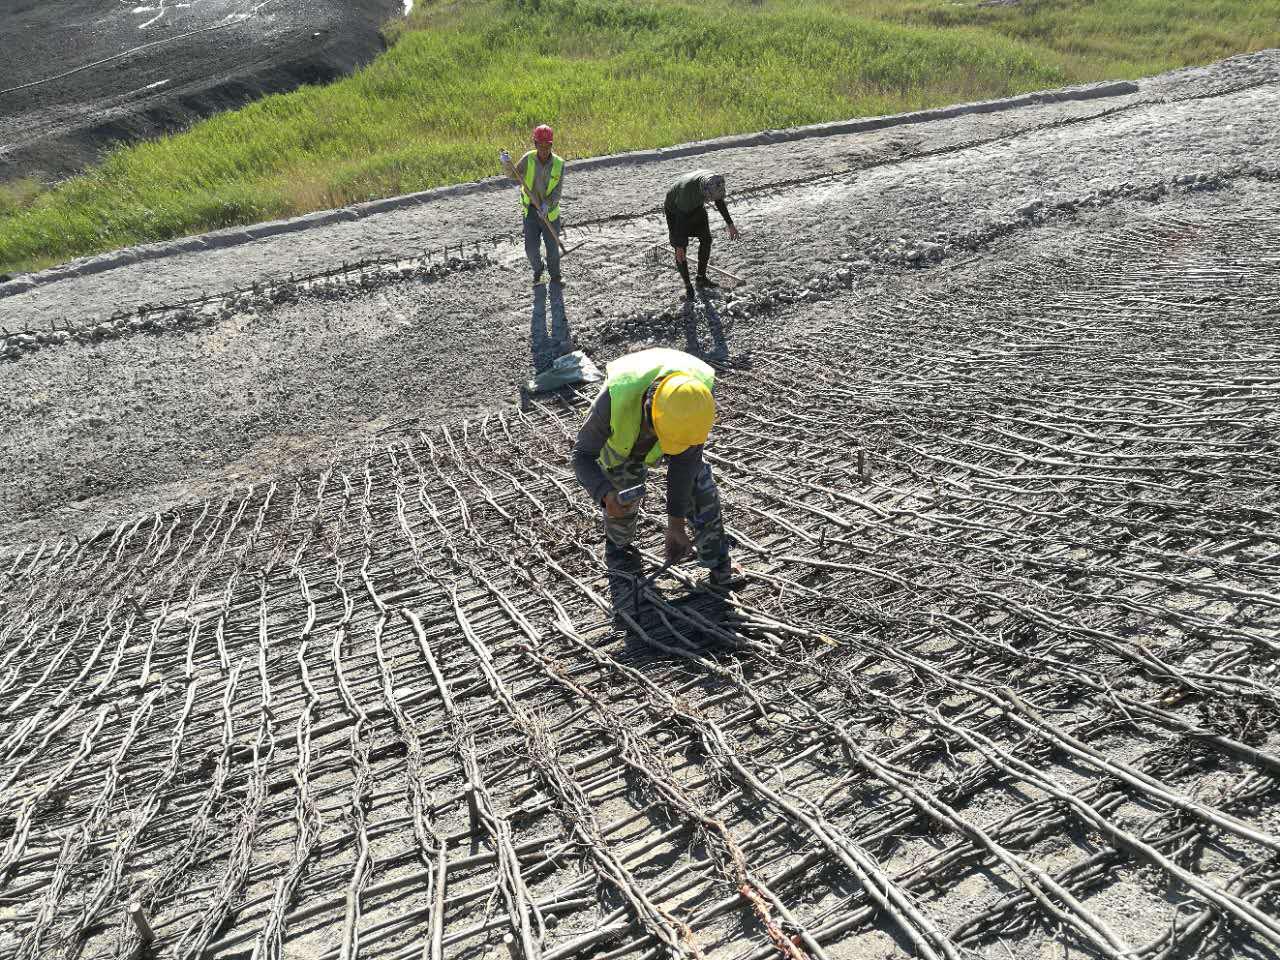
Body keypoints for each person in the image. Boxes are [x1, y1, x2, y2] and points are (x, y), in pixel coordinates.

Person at [572, 347, 740, 587]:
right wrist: (605, 494)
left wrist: (676, 525)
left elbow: (685, 465)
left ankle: (718, 562)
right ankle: (619, 548)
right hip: (623, 445)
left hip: (676, 414)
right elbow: (581, 455)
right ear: (648, 409)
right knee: (621, 497)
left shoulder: (697, 400)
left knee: (698, 483)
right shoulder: (614, 400)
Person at [664, 170, 739, 299]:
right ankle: (688, 286)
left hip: (696, 207)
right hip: (676, 211)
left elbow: (719, 201)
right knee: (681, 252)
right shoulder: (686, 193)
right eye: (708, 198)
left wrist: (730, 224)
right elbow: (680, 220)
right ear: (704, 192)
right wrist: (679, 244)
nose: (710, 200)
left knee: (706, 239)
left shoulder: (714, 182)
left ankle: (701, 278)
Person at [514, 125, 564, 287]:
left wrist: (547, 205)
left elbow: (557, 192)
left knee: (552, 249)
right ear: (535, 144)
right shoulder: (528, 159)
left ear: (552, 145)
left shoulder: (559, 164)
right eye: (540, 146)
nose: (544, 150)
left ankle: (555, 276)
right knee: (531, 249)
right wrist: (506, 163)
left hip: (550, 213)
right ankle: (539, 271)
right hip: (531, 212)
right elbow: (513, 175)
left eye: (547, 146)